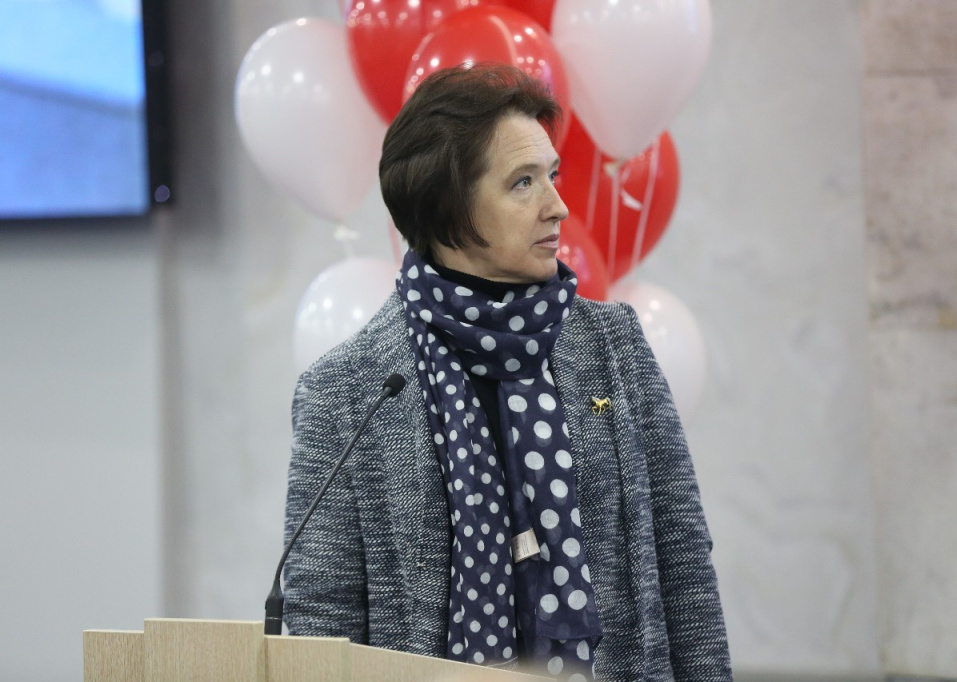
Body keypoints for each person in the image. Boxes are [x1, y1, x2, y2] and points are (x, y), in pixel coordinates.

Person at [282, 64, 732, 682]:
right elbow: (320, 618)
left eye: (553, 176)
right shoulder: (346, 392)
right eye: (523, 183)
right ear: (448, 206)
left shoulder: (614, 346)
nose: (558, 206)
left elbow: (684, 564)